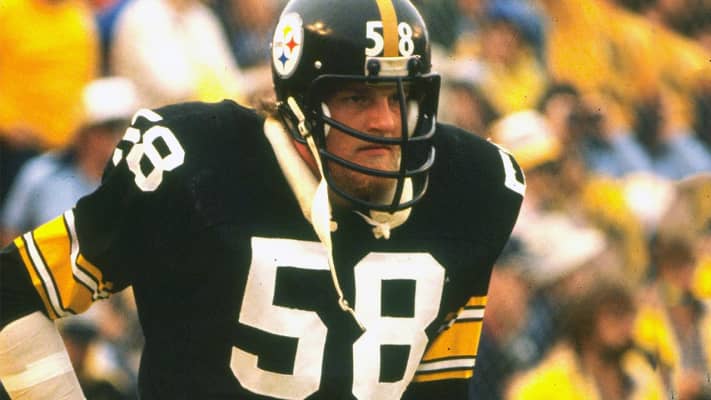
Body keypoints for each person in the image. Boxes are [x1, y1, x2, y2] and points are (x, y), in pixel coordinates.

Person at [0, 1, 525, 399]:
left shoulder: (473, 187)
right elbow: (12, 292)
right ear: (300, 103)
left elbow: (438, 386)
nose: (386, 122)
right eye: (357, 97)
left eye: (399, 96)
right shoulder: (198, 165)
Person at [0, 77, 137, 244]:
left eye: (125, 128)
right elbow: (10, 232)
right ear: (84, 133)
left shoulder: (138, 183)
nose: (118, 137)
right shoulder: (41, 174)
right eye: (109, 128)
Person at [506, 278, 666, 399]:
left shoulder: (641, 375)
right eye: (615, 316)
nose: (627, 325)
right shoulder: (544, 386)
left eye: (630, 315)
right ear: (586, 325)